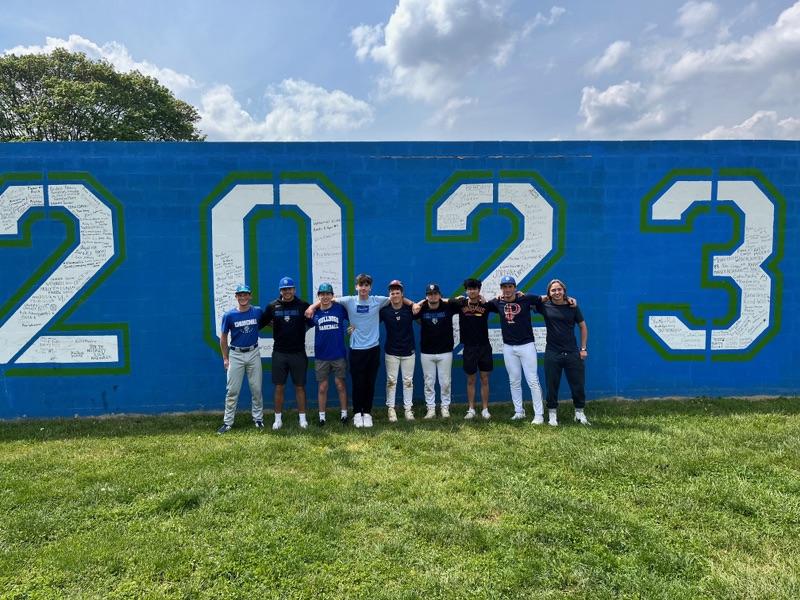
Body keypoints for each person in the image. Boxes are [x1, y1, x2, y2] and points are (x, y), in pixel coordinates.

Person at [307, 273, 412, 428]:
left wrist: (413, 304)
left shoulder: (377, 300)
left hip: (373, 349)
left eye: (366, 285)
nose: (363, 288)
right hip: (356, 350)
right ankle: (357, 413)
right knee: (357, 382)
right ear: (356, 287)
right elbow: (328, 299)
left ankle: (367, 413)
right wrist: (312, 307)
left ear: (370, 287)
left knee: (370, 382)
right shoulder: (349, 301)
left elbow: (396, 298)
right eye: (361, 285)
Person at [487, 275, 547, 424]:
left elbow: (545, 298)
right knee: (514, 380)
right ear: (501, 288)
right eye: (504, 287)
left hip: (527, 345)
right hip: (508, 347)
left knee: (532, 380)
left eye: (510, 286)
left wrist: (568, 299)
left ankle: (539, 415)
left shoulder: (526, 298)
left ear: (515, 287)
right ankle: (519, 411)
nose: (507, 289)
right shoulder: (497, 302)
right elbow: (481, 303)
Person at [259, 276, 311, 430]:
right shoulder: (272, 306)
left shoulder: (303, 305)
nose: (287, 291)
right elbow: (261, 323)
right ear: (280, 291)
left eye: (289, 289)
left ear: (294, 289)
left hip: (298, 352)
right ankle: (277, 420)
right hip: (279, 353)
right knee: (279, 386)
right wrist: (274, 324)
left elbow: (312, 322)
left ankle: (302, 419)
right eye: (284, 289)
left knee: (300, 387)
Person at [539, 279, 590, 426]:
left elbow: (583, 327)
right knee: (551, 385)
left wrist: (583, 348)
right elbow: (527, 300)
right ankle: (552, 415)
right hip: (552, 352)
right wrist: (546, 297)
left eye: (559, 289)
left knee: (578, 384)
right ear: (549, 293)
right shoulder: (544, 306)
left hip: (572, 352)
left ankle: (579, 413)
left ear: (564, 291)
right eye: (553, 290)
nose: (557, 292)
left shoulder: (572, 306)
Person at [217, 284, 264, 433]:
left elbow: (269, 322)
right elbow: (223, 338)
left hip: (253, 352)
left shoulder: (257, 311)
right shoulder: (229, 315)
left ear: (250, 296)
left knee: (256, 388)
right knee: (232, 390)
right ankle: (228, 422)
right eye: (240, 295)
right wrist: (225, 358)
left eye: (245, 294)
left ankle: (258, 419)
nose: (243, 297)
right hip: (236, 354)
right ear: (236, 297)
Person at [450, 278, 496, 420]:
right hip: (469, 347)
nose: (472, 291)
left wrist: (486, 300)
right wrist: (456, 298)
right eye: (469, 289)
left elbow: (501, 302)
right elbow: (443, 301)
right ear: (466, 291)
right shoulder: (461, 304)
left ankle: (485, 409)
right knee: (470, 380)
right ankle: (471, 409)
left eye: (474, 289)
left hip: (484, 346)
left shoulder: (486, 305)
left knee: (484, 379)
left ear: (479, 290)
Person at [414, 283, 461, 419]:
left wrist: (444, 300)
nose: (433, 296)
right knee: (429, 382)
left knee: (445, 382)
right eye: (430, 294)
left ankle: (445, 408)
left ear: (440, 295)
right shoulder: (422, 309)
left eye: (435, 294)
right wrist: (421, 303)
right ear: (426, 296)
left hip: (445, 351)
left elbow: (460, 302)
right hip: (427, 352)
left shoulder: (447, 307)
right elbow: (414, 313)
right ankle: (431, 409)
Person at [308, 283, 350, 426]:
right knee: (322, 387)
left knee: (340, 385)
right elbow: (305, 323)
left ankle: (344, 414)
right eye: (322, 294)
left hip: (338, 354)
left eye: (328, 294)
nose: (325, 297)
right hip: (321, 355)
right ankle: (322, 417)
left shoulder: (339, 309)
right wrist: (312, 307)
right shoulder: (314, 312)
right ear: (318, 296)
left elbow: (354, 316)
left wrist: (353, 326)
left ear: (332, 296)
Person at [380, 279, 416, 421]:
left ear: (402, 294)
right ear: (389, 295)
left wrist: (412, 303)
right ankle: (391, 409)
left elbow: (423, 309)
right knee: (391, 381)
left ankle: (408, 409)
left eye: (397, 293)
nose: (395, 295)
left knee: (408, 381)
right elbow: (368, 320)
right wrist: (355, 326)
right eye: (392, 293)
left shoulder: (410, 309)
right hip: (391, 352)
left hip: (408, 351)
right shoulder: (384, 311)